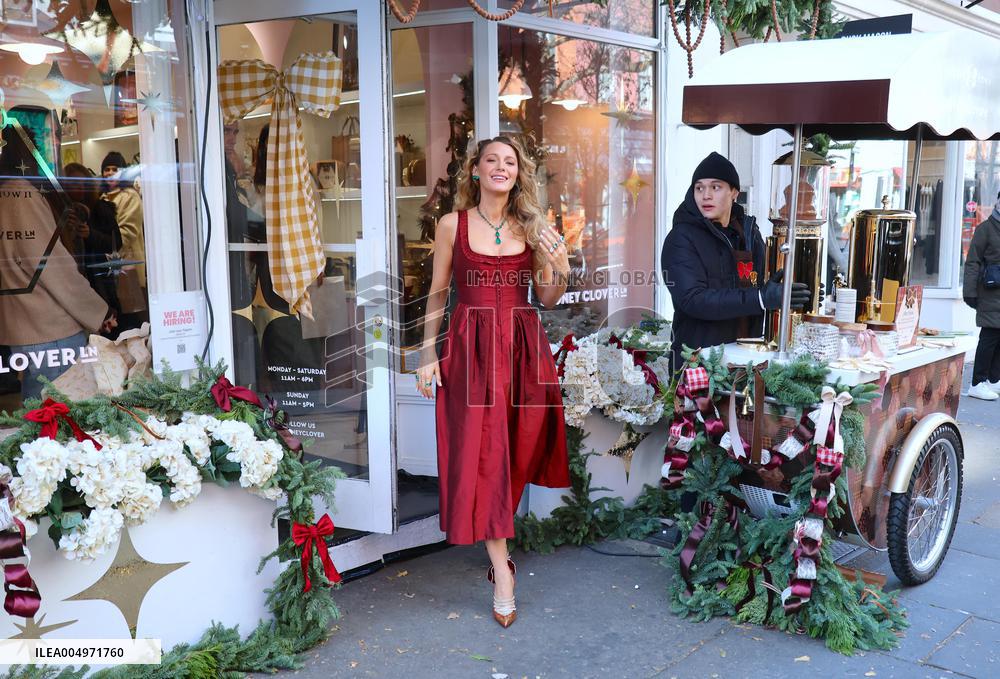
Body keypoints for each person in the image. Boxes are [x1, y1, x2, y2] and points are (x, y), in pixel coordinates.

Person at [415, 136, 571, 628]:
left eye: (510, 162)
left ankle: (497, 540)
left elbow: (547, 297)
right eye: (492, 161)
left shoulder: (534, 226)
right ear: (476, 171)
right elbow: (438, 291)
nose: (501, 168)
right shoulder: (451, 225)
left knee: (520, 448)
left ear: (518, 174)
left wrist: (561, 265)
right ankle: (502, 570)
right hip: (470, 349)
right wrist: (426, 354)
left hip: (523, 347)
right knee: (485, 456)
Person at [661, 152, 812, 369]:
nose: (706, 195)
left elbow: (765, 284)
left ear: (734, 192)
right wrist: (760, 298)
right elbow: (694, 300)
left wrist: (798, 291)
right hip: (698, 362)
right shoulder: (681, 238)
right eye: (699, 188)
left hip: (747, 358)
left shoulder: (749, 233)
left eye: (715, 187)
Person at [0, 124, 116, 401]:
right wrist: (99, 310)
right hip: (49, 325)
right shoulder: (23, 197)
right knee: (64, 415)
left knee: (40, 416)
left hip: (23, 323)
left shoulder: (8, 196)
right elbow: (51, 267)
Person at [63, 162, 123, 317]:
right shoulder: (58, 209)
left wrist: (90, 235)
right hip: (69, 283)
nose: (81, 188)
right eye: (75, 184)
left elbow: (116, 242)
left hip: (99, 282)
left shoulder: (100, 208)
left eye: (85, 184)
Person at [101, 151, 147, 328]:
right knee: (116, 322)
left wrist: (102, 245)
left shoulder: (130, 197)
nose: (110, 173)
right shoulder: (102, 197)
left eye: (115, 169)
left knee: (133, 321)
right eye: (107, 169)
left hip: (129, 269)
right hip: (109, 271)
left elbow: (127, 233)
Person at [963, 191, 1000, 401]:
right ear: (997, 202)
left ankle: (993, 380)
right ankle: (977, 382)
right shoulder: (985, 229)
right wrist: (969, 291)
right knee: (989, 336)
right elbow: (973, 262)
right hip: (989, 292)